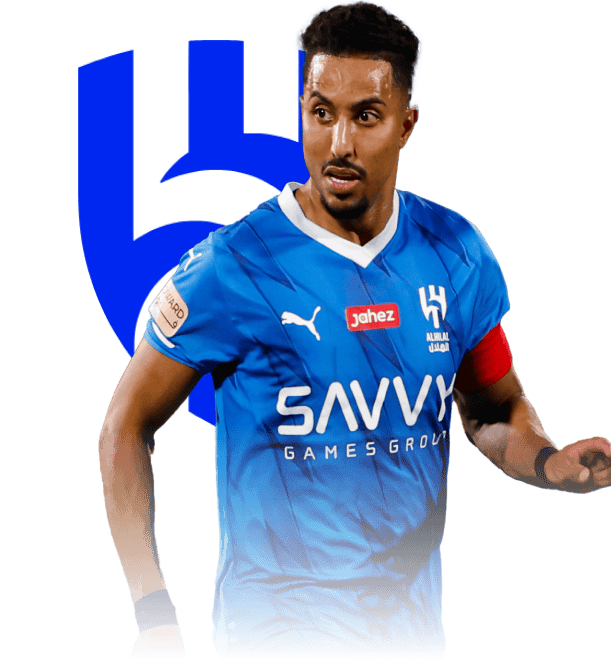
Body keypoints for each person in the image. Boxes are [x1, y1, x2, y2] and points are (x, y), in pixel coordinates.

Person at [98, 2, 611, 658]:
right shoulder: (235, 265)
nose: (338, 143)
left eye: (365, 116)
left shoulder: (455, 252)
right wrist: (153, 612)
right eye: (321, 112)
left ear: (406, 124)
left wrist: (549, 463)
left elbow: (492, 410)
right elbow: (126, 425)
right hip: (278, 628)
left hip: (410, 631)